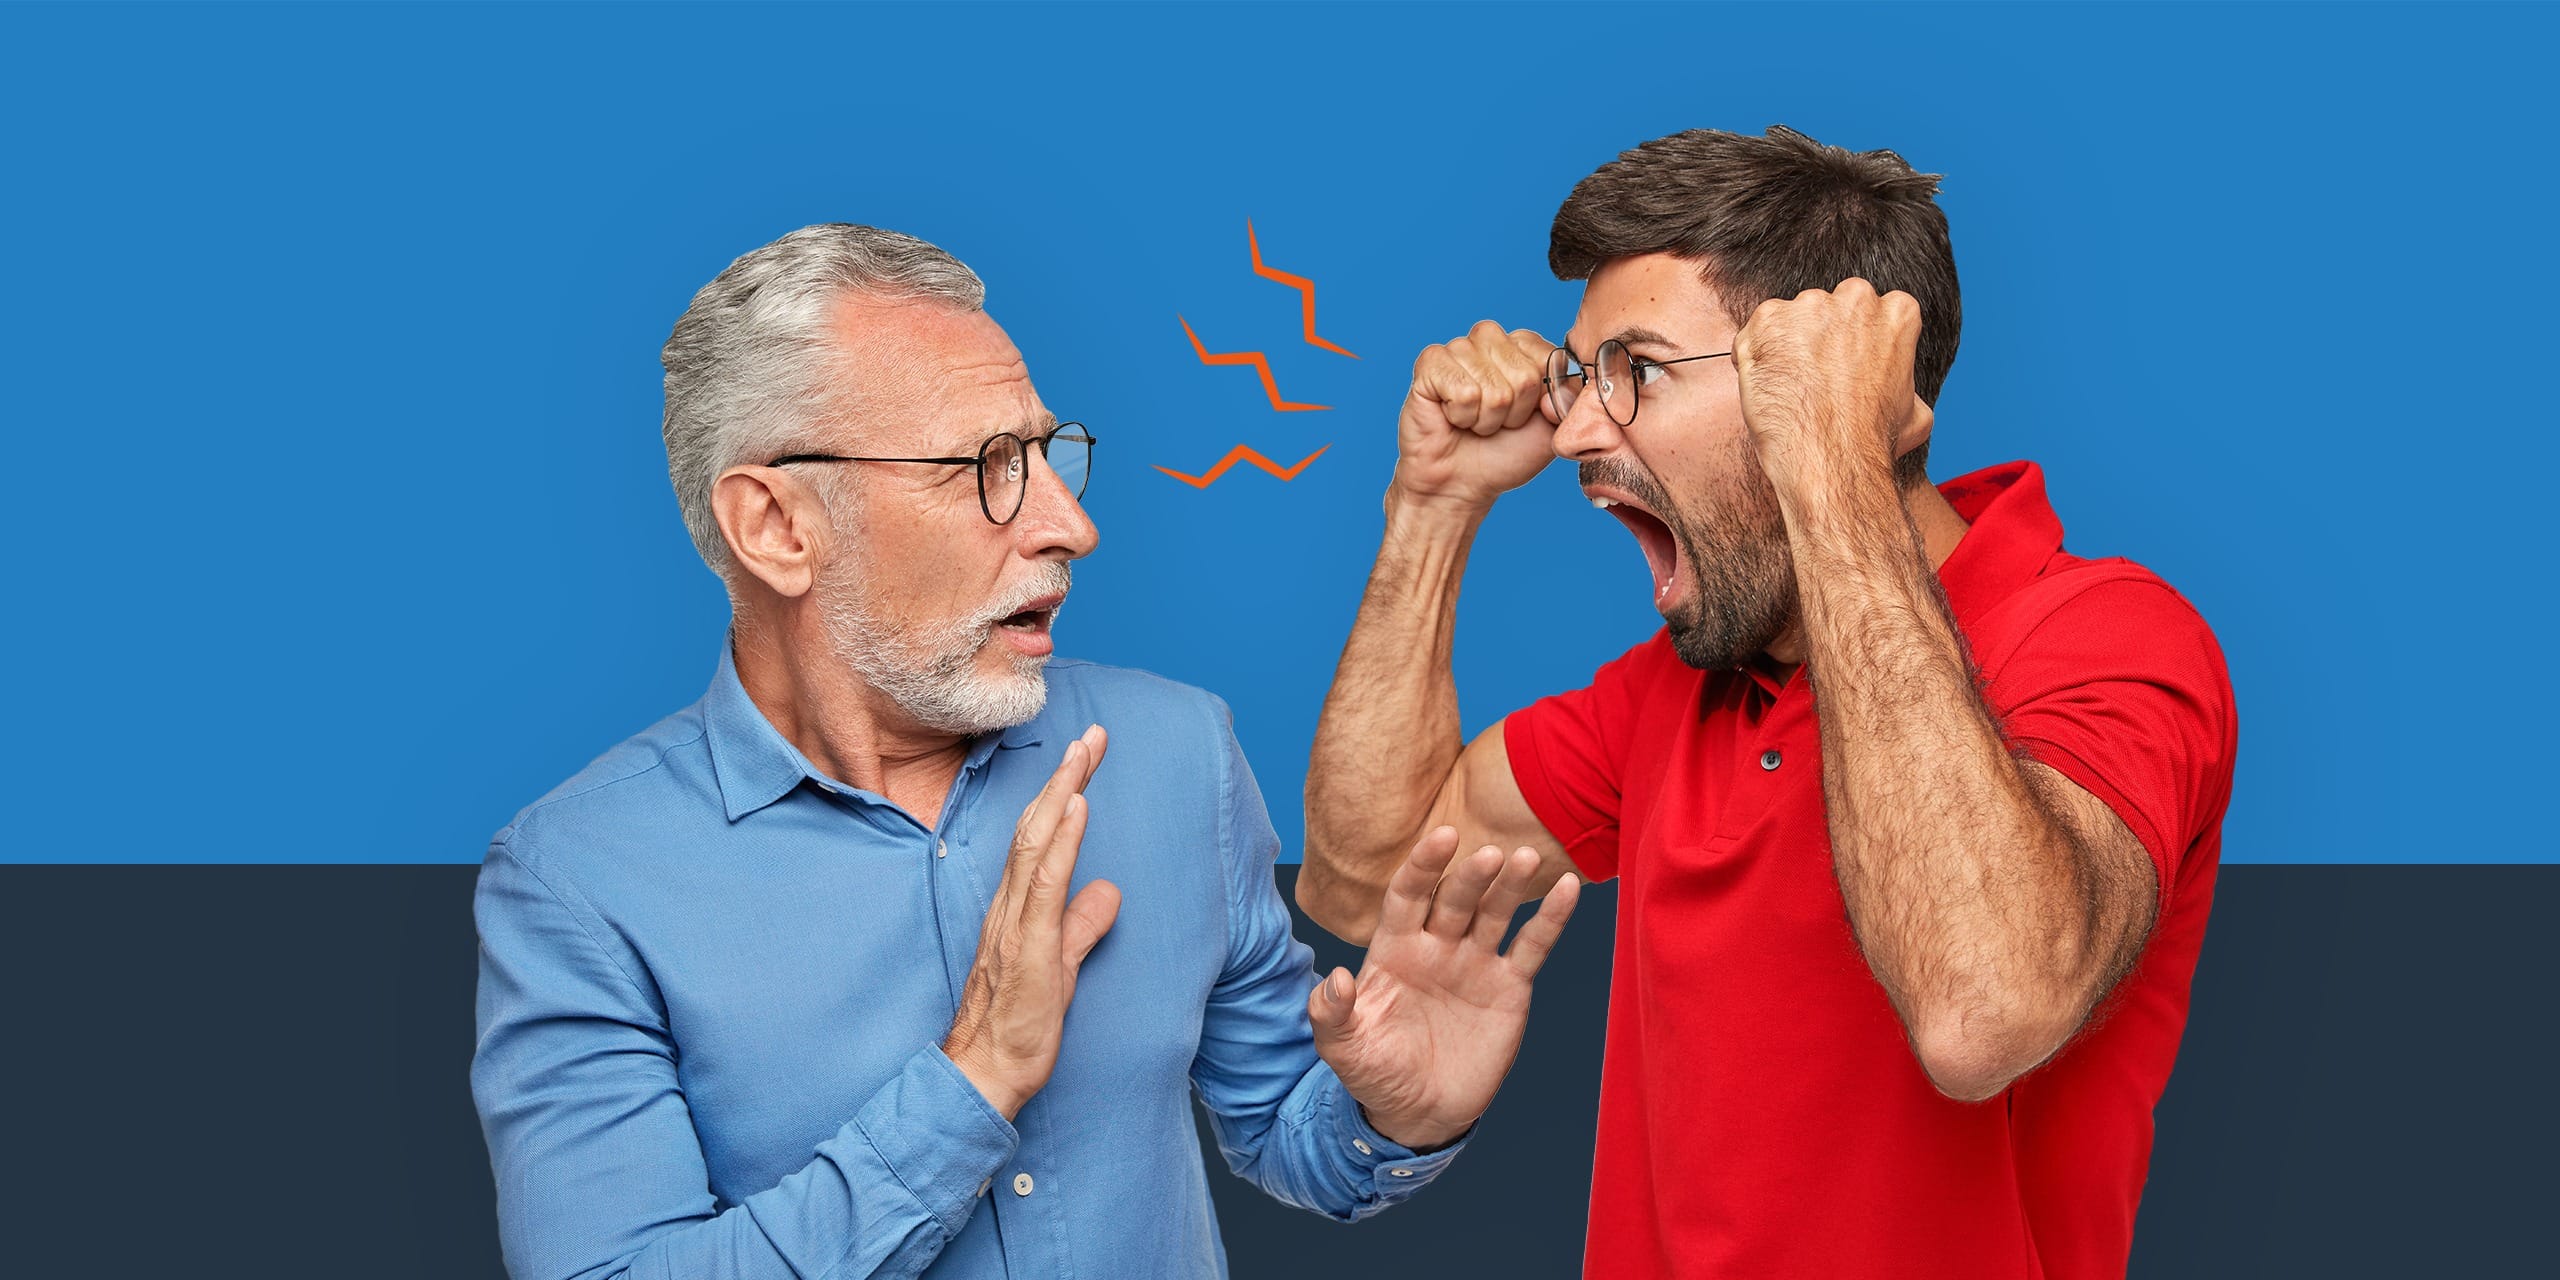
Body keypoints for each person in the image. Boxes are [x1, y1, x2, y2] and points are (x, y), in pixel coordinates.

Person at [470, 223, 1581, 1280]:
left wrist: (1398, 1111)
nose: (1067, 523)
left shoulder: (1175, 752)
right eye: (988, 464)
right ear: (776, 525)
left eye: (1050, 454)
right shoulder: (580, 880)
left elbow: (1291, 1131)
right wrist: (972, 1082)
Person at [1299, 126, 2238, 1279]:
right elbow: (1367, 875)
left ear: (1834, 382)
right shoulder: (1677, 690)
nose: (1579, 430)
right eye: (1578, 375)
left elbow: (1980, 1010)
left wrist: (1833, 469)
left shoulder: (2105, 638)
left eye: (1634, 370)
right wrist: (1430, 507)